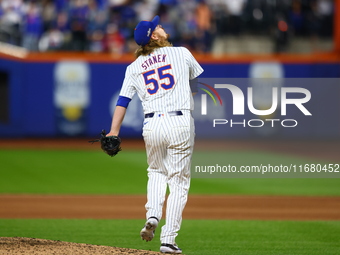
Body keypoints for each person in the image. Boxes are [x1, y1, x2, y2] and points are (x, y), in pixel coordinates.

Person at [106, 15, 203, 254]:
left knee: (156, 171)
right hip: (179, 121)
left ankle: (152, 217)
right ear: (155, 36)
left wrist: (113, 131)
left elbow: (123, 100)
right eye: (157, 26)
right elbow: (197, 86)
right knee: (179, 182)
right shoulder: (181, 53)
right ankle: (168, 239)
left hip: (152, 125)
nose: (161, 26)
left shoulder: (134, 67)